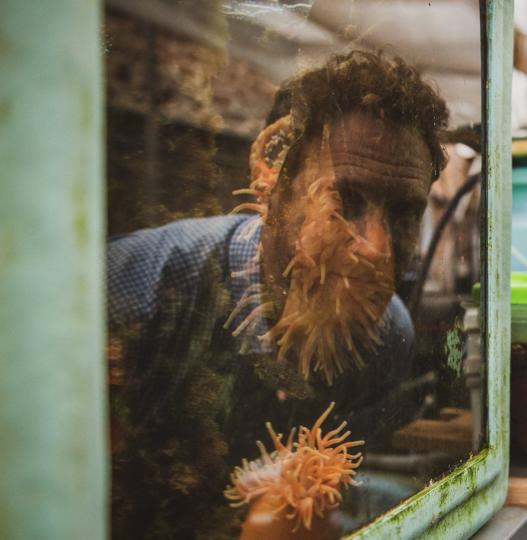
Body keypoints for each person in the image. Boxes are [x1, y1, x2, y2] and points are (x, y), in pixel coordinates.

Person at [106, 50, 449, 538]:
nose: (377, 249)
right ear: (271, 177)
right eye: (345, 199)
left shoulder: (390, 339)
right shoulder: (133, 291)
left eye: (404, 213)